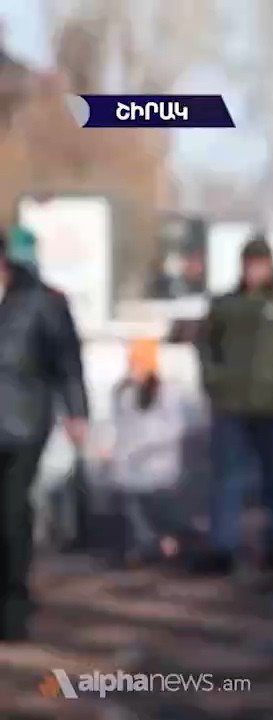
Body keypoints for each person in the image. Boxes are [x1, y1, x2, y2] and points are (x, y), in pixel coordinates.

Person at [195, 236, 273, 574]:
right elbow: (206, 345)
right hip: (232, 404)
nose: (253, 272)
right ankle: (223, 546)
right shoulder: (227, 305)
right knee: (228, 478)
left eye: (259, 265)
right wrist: (214, 381)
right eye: (248, 265)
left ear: (270, 265)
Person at [0, 228, 88, 641]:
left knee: (11, 511)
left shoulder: (42, 301)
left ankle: (12, 607)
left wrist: (77, 412)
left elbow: (67, 361)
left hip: (22, 423)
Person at [98, 338, 186, 566]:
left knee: (161, 508)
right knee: (131, 505)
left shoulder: (167, 391)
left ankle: (165, 543)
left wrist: (145, 447)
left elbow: (174, 428)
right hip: (129, 462)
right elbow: (119, 426)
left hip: (158, 460)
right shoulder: (123, 392)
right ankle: (144, 546)